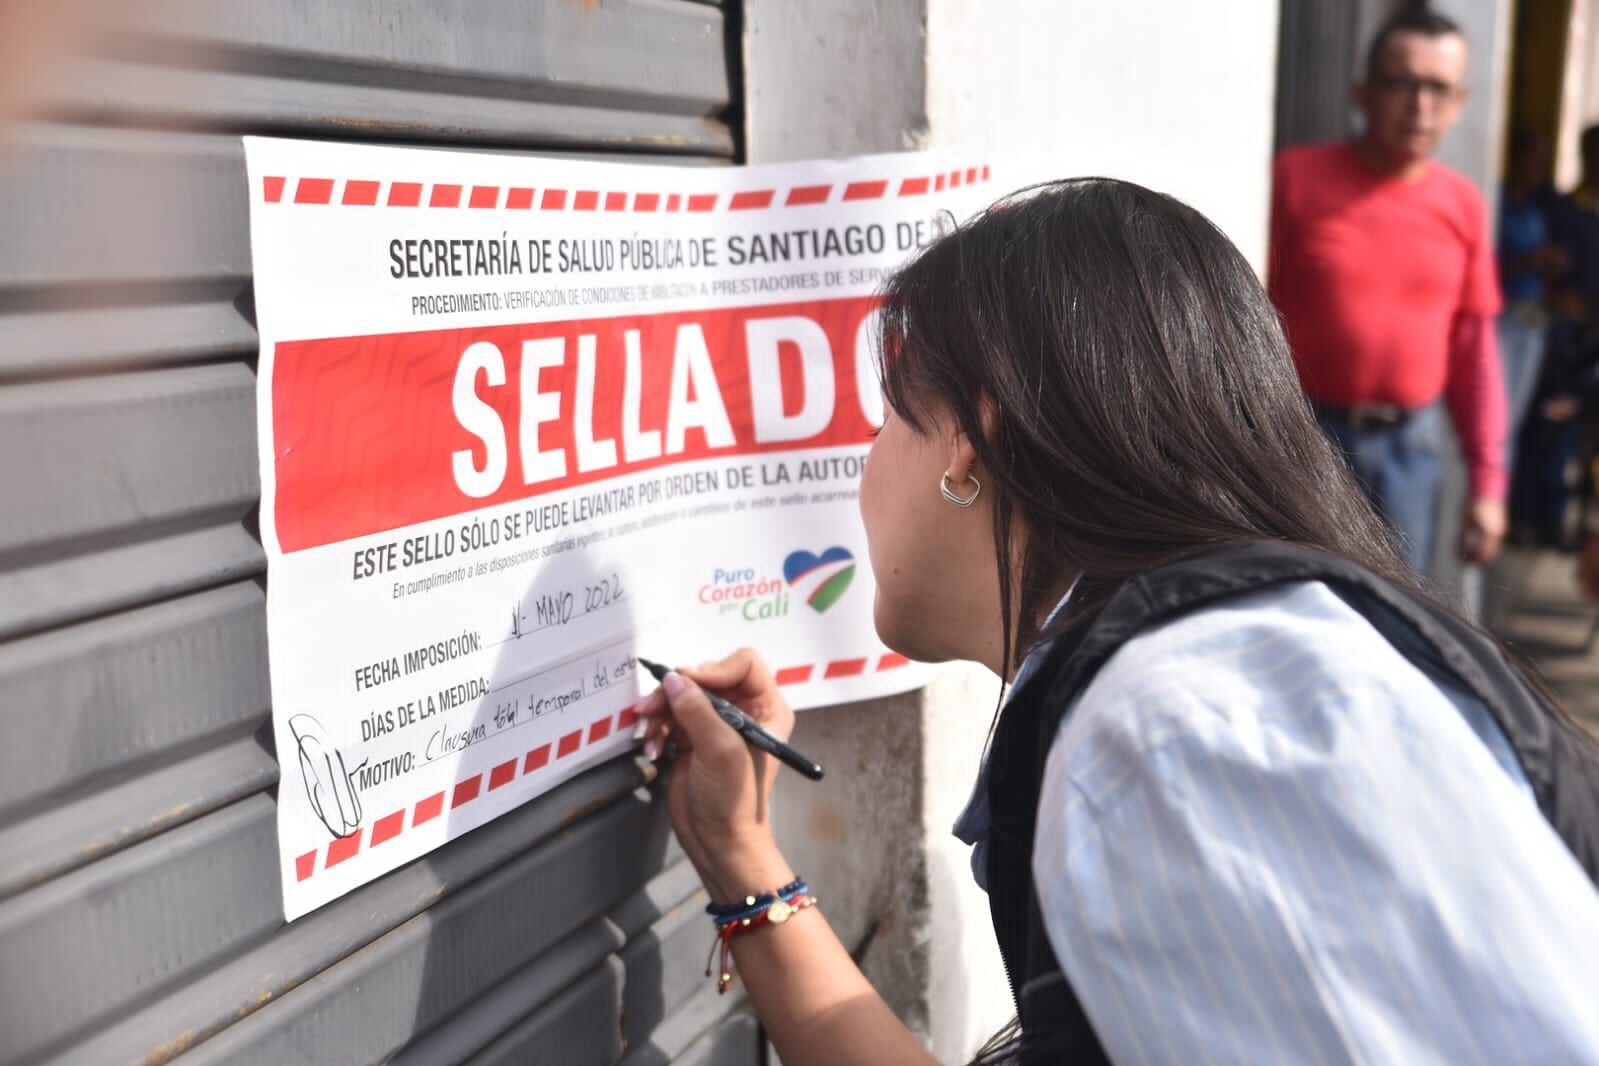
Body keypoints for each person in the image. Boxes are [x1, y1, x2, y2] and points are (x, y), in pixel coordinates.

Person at [632, 179, 1599, 1064]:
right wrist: (739, 851)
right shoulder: (1197, 693)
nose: (864, 466)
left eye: (887, 415)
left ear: (971, 437)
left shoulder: (1185, 732)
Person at [1269, 10, 1507, 573]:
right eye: (1403, 84)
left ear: (1458, 103)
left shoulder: (1462, 204)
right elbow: (1246, 314)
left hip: (1411, 453)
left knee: (1396, 621)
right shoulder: (1297, 179)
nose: (1420, 105)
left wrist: (1489, 483)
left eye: (1438, 88)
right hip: (1307, 441)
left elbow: (1475, 353)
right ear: (1363, 93)